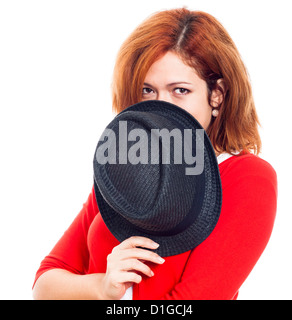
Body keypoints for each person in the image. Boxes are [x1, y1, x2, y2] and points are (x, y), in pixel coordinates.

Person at [32, 8, 277, 300]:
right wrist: (102, 288)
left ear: (217, 95)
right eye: (148, 90)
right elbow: (46, 284)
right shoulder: (123, 172)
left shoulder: (246, 177)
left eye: (180, 90)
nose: (162, 107)